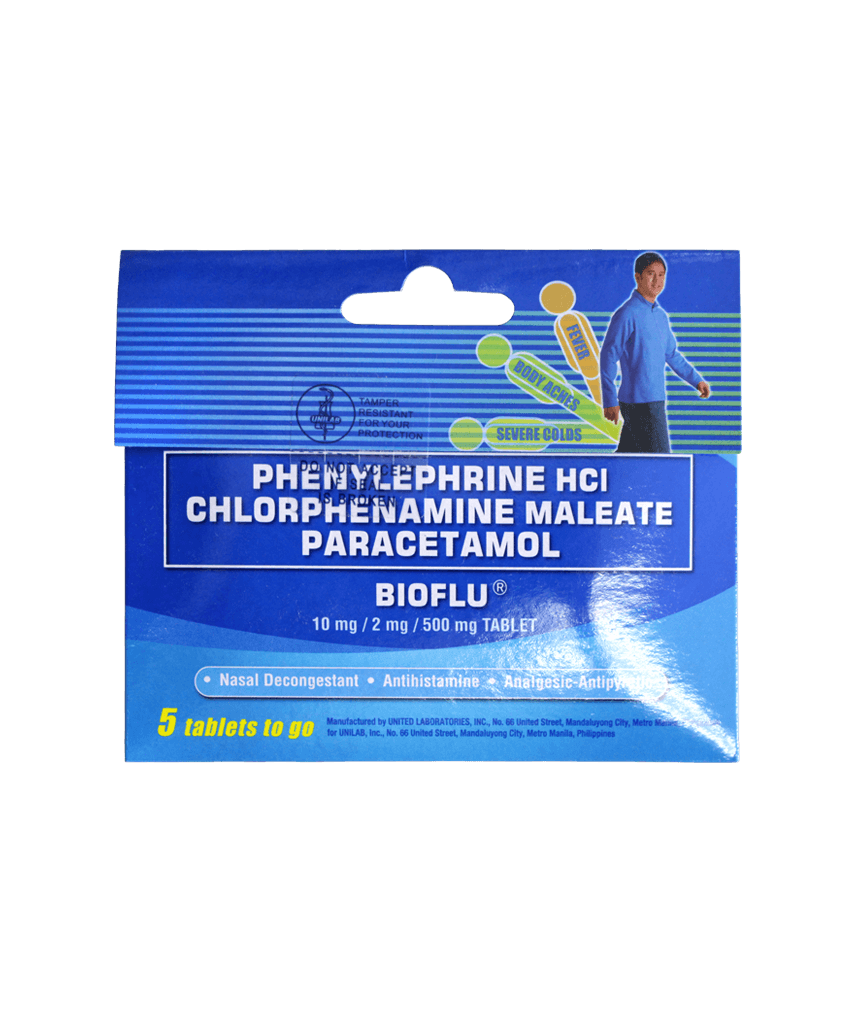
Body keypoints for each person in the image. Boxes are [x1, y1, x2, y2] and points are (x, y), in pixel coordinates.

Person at [600, 252, 710, 453]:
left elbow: (672, 354)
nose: (657, 280)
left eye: (661, 275)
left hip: (654, 399)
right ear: (638, 277)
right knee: (661, 462)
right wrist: (609, 399)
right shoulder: (627, 313)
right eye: (651, 274)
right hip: (640, 403)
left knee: (629, 457)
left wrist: (697, 380)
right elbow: (608, 355)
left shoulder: (660, 316)